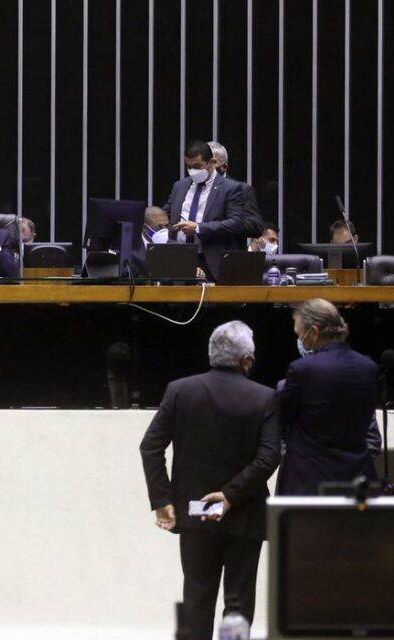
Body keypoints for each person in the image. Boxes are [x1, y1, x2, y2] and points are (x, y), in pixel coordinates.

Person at [140, 320, 279, 640]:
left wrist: (163, 500)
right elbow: (268, 457)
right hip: (245, 512)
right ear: (247, 360)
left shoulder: (180, 390)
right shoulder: (265, 397)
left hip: (194, 511)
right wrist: (230, 494)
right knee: (239, 601)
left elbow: (150, 447)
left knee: (197, 597)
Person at [276, 299, 379, 496]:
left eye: (299, 334)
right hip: (356, 478)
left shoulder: (302, 369)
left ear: (313, 332)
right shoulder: (369, 368)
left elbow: (283, 419)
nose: (299, 339)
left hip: (308, 482)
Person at [162, 141, 262, 280]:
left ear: (212, 162)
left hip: (210, 260)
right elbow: (166, 215)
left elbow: (236, 223)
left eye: (197, 166)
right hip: (180, 258)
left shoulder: (231, 188)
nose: (192, 171)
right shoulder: (179, 186)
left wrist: (198, 228)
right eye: (188, 167)